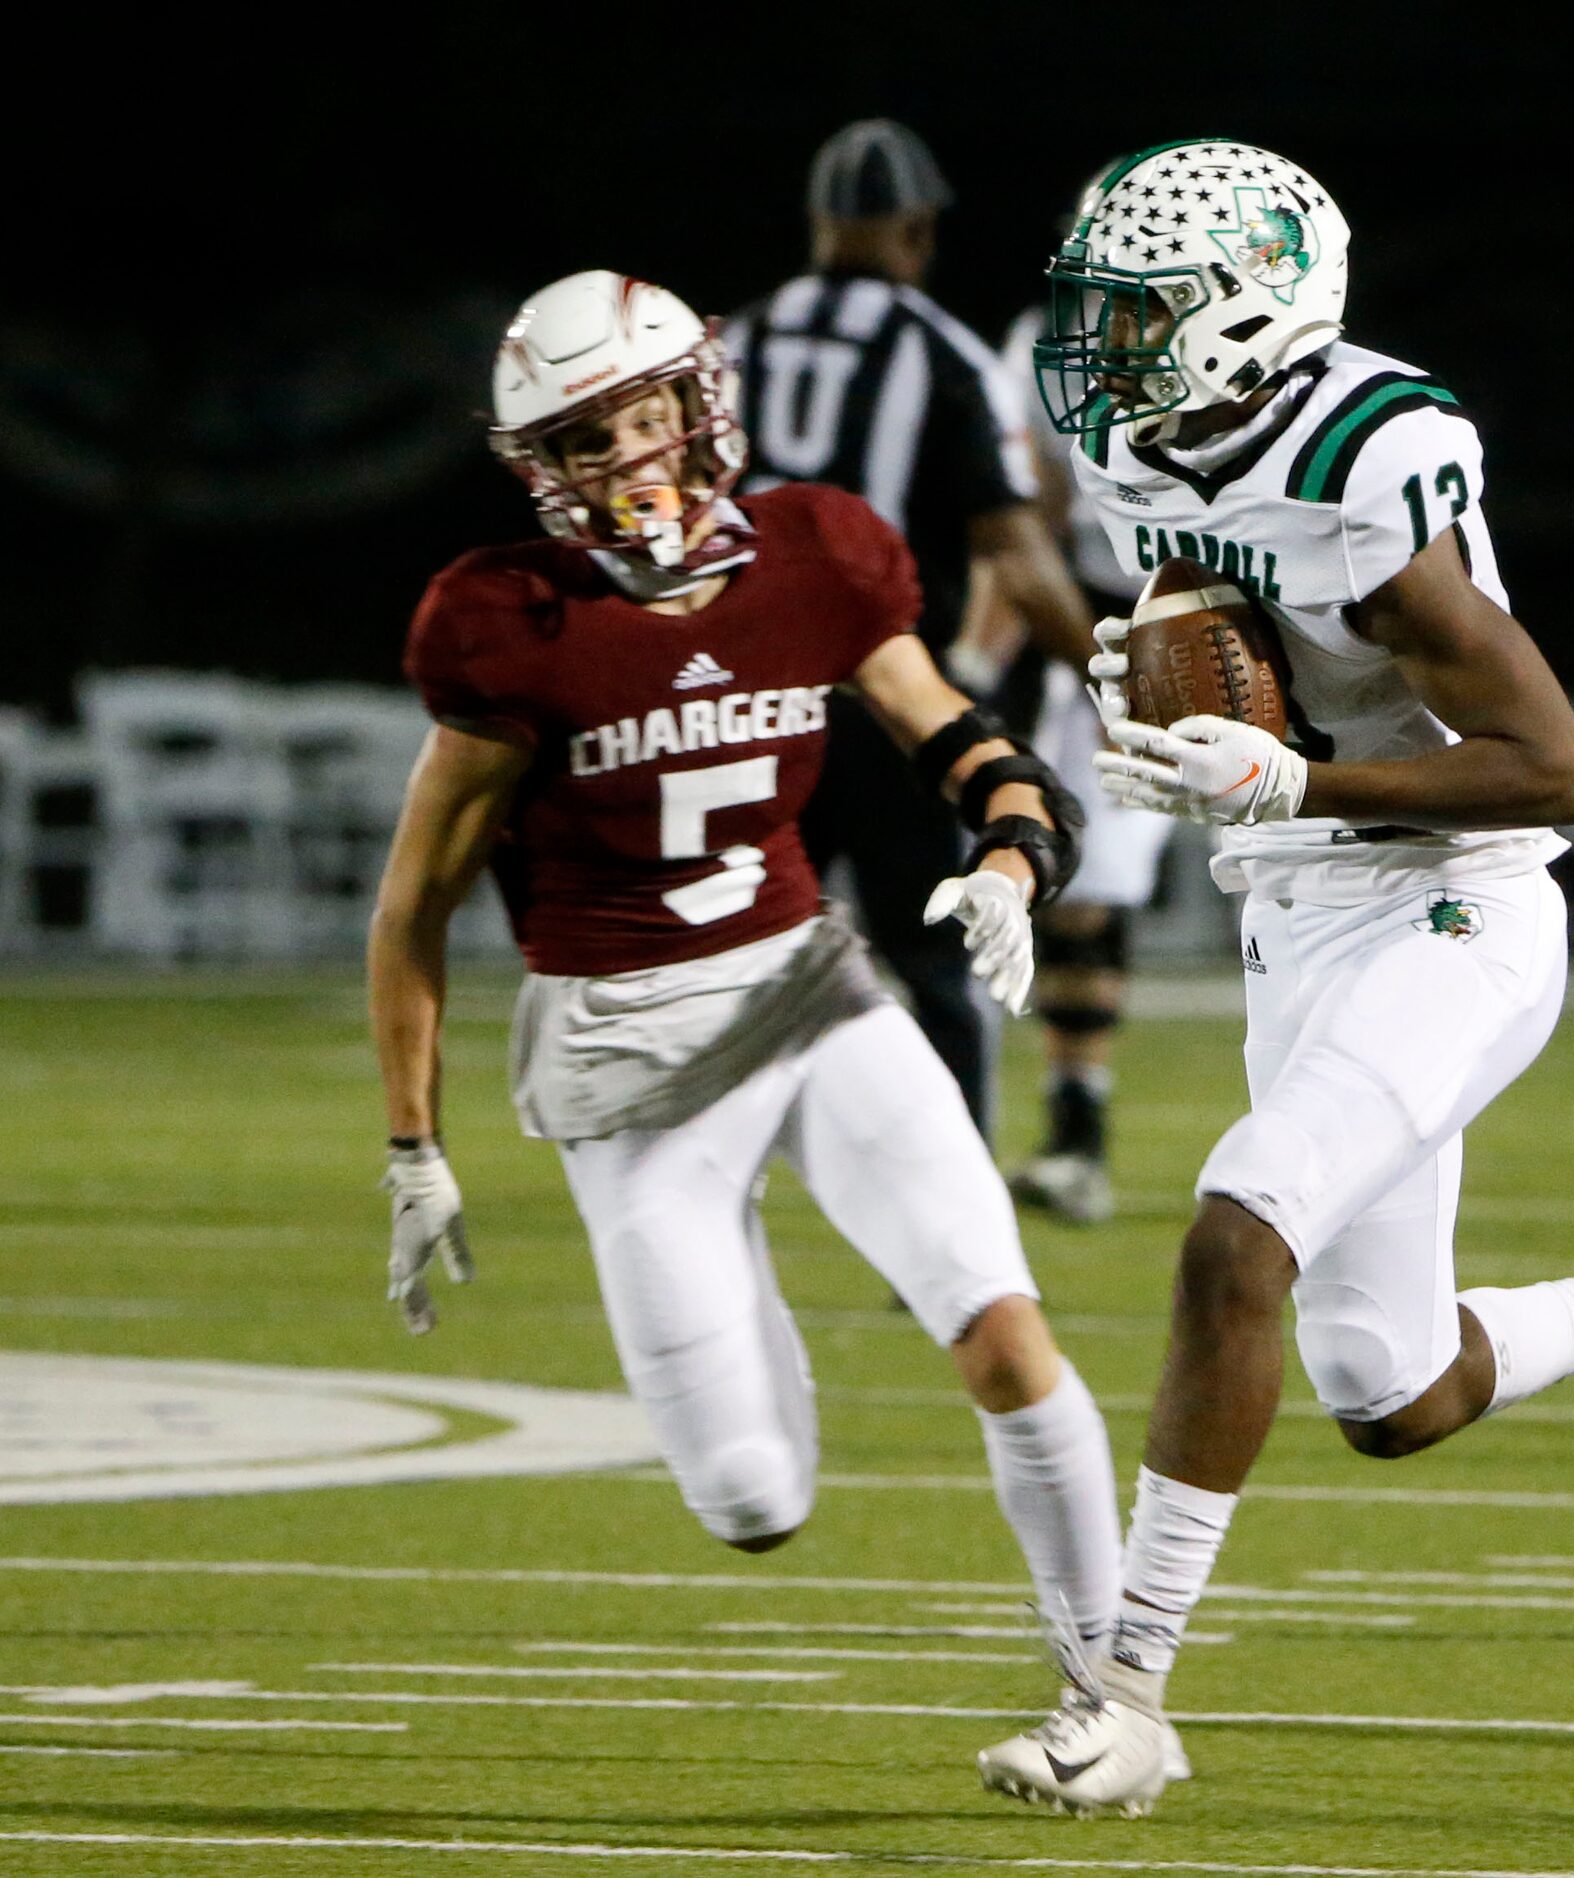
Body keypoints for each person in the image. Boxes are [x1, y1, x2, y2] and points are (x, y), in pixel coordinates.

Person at [973, 140, 1574, 1819]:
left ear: (1246, 310)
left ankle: (1123, 1693)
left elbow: (1556, 767)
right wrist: (1158, 671)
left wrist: (1295, 776)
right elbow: (1215, 602)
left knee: (1238, 1224)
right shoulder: (1132, 440)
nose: (1103, 347)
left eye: (1139, 313)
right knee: (1391, 1390)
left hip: (1458, 899)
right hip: (1292, 910)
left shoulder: (1372, 453)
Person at [367, 271, 1124, 1645]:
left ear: (697, 401)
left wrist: (1010, 864)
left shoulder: (817, 558)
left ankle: (1115, 1687)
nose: (627, 458)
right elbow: (412, 906)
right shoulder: (510, 625)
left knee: (1000, 1328)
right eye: (584, 438)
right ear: (544, 468)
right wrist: (414, 1142)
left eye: (640, 413)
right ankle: (728, 1252)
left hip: (806, 993)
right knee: (749, 1499)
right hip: (623, 1057)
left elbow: (971, 746)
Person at [727, 119, 1095, 1136]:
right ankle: (953, 1207)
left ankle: (707, 1176)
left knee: (722, 949)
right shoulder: (945, 354)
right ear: (919, 229)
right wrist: (1111, 680)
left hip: (735, 701)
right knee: (937, 955)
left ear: (817, 222)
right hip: (889, 705)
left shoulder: (729, 342)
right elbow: (1017, 551)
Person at [997, 284, 1179, 1224]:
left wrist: (1178, 649)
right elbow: (1030, 507)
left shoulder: (1248, 349)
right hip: (1094, 628)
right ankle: (1077, 1132)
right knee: (1081, 892)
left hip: (1210, 623)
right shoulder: (1047, 336)